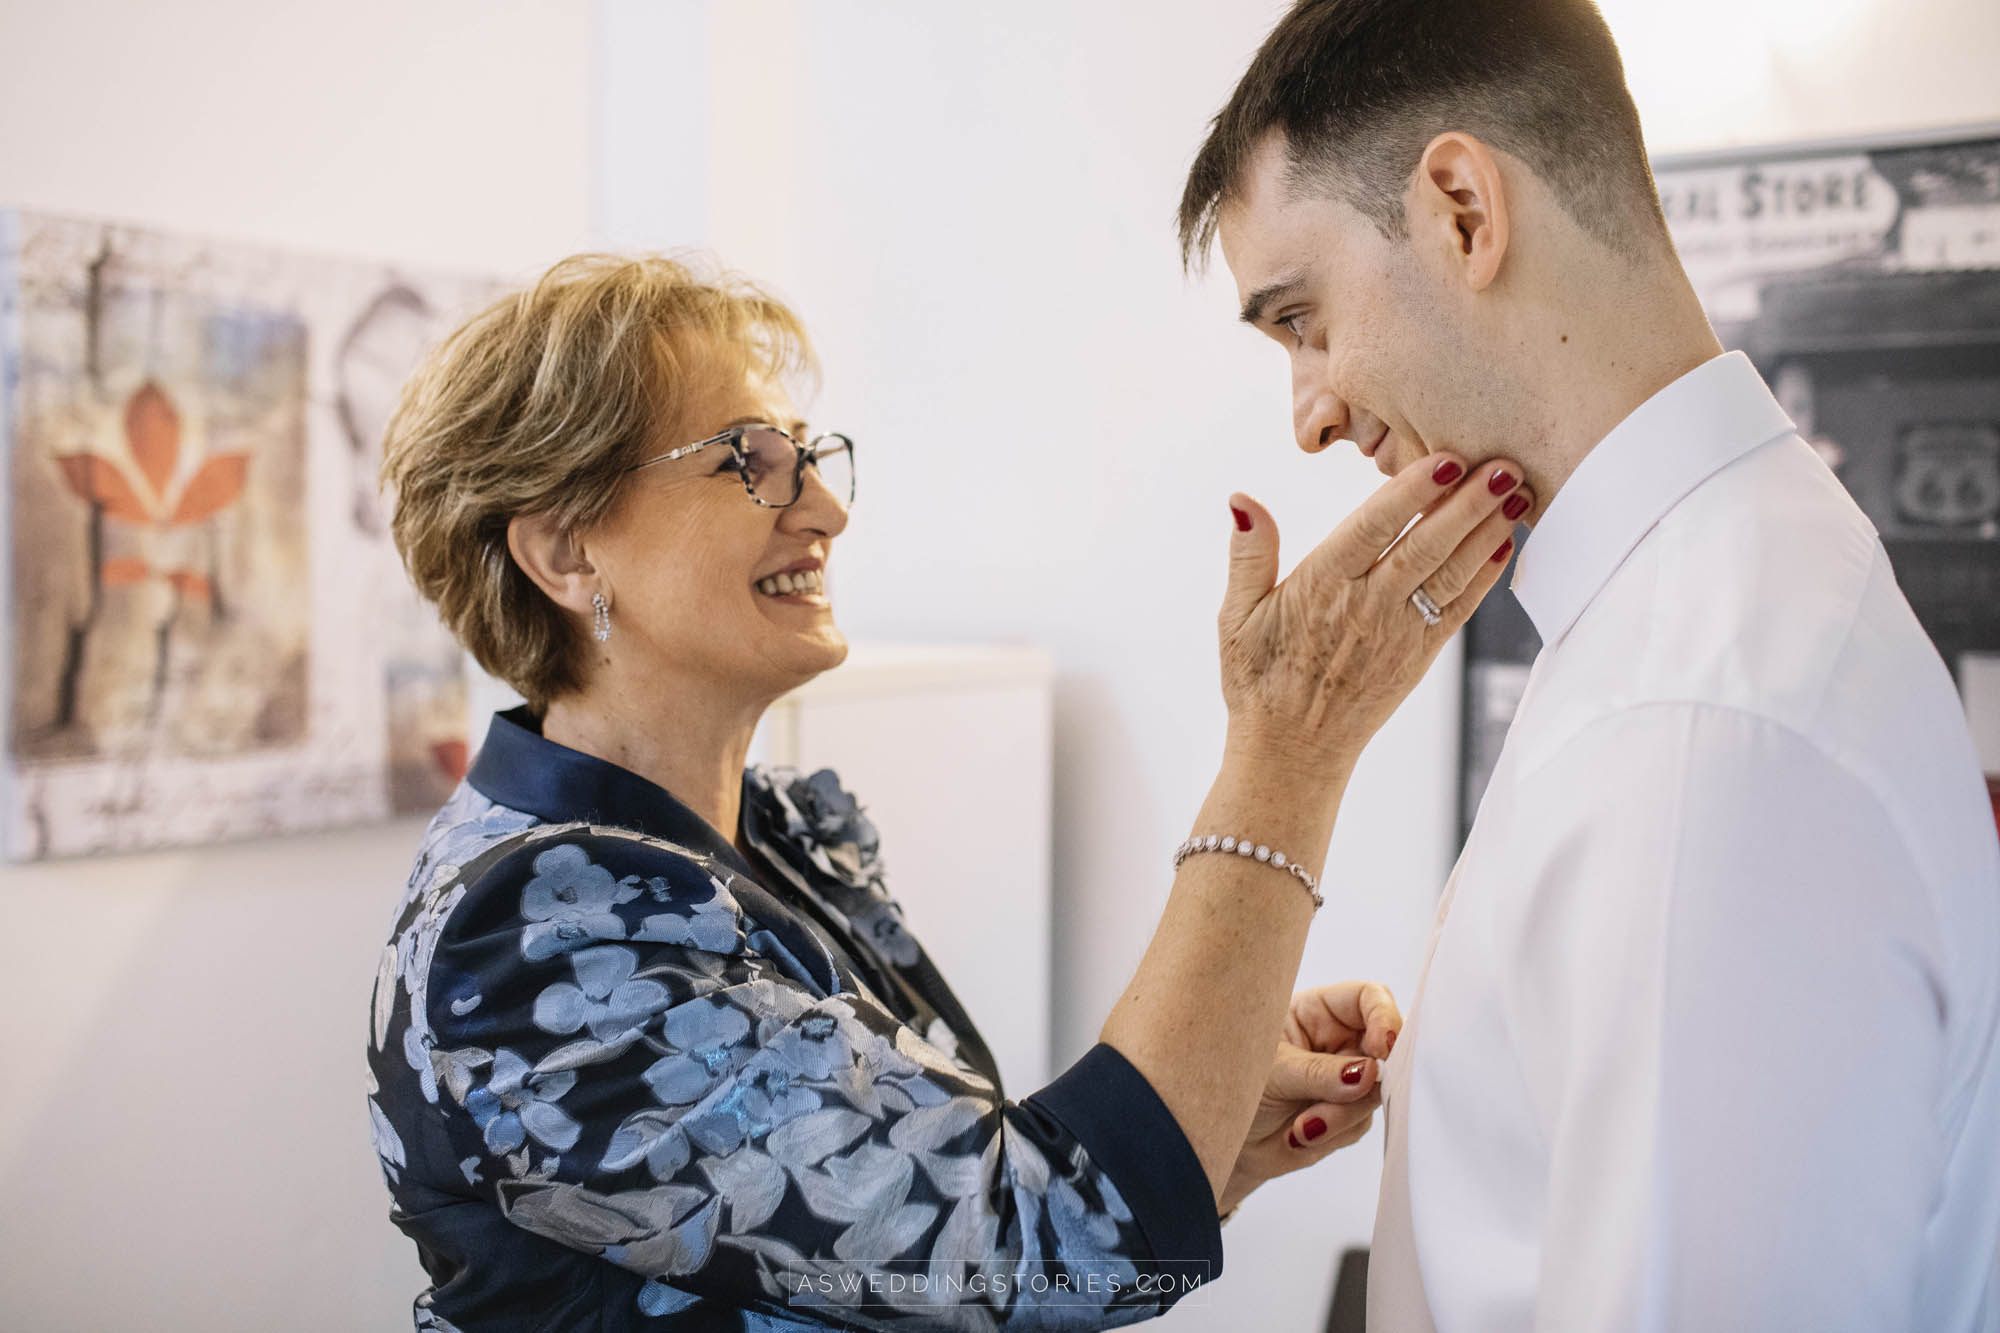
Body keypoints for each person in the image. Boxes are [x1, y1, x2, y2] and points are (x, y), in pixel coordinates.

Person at [365, 253, 1530, 1329]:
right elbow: (1033, 1251)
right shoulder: (529, 937)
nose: (825, 510)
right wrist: (1289, 743)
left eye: (807, 455)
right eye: (746, 462)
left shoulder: (774, 831)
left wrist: (1209, 1122)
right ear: (565, 552)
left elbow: (948, 1234)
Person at [1177, 2, 2000, 1330]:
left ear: (1461, 211)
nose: (1309, 415)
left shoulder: (1700, 722)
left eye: (1303, 318)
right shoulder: (1687, 617)